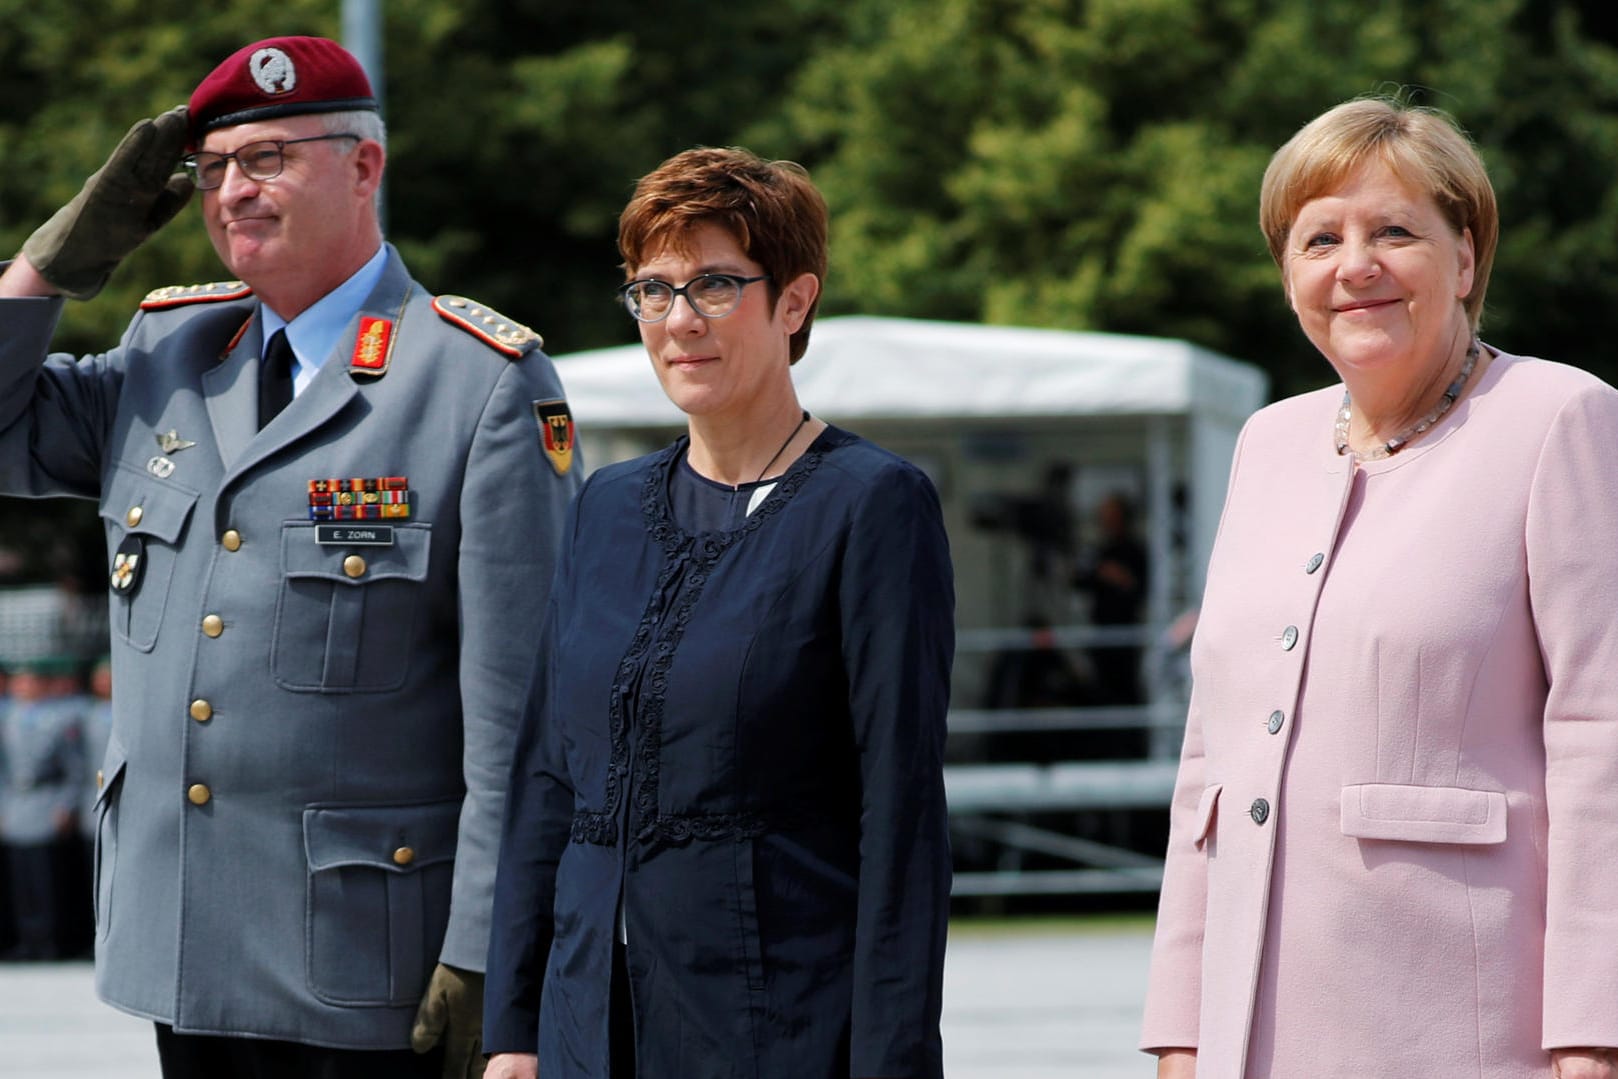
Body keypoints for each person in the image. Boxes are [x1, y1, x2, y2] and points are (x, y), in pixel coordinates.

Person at [0, 35, 578, 1078]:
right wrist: (54, 262)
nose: (233, 192)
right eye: (214, 168)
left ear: (365, 167)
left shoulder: (478, 381)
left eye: (268, 158)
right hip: (183, 947)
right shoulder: (165, 354)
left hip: (373, 968)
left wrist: (500, 960)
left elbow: (524, 720)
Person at [1140, 96, 1618, 1078]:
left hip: (1468, 1029)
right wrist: (1182, 1030)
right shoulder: (1265, 442)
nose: (1353, 265)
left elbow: (1601, 737)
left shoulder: (1560, 417)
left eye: (1394, 230)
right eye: (1319, 239)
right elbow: (1210, 763)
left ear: (1465, 259)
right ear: (1288, 276)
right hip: (1252, 1034)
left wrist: (1593, 1031)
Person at [483, 147, 955, 1079]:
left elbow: (901, 820)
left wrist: (892, 1062)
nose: (678, 321)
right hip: (587, 1028)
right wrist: (512, 1031)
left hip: (777, 1028)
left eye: (714, 285)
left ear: (795, 300)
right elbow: (546, 781)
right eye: (653, 290)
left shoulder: (872, 506)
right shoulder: (606, 506)